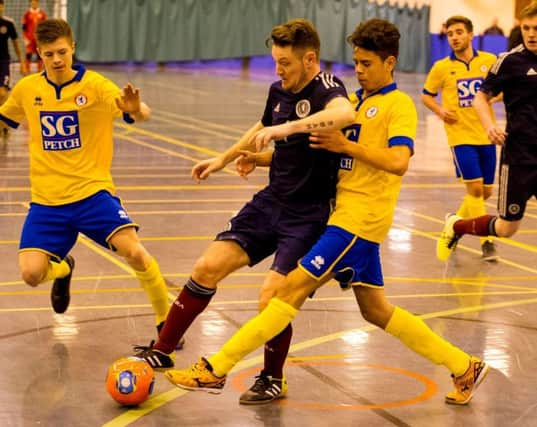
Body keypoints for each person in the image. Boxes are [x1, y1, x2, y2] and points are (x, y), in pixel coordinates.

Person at [163, 18, 490, 407]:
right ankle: (462, 364)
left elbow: (399, 162)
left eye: (367, 64)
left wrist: (345, 146)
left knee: (287, 290)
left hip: (359, 220)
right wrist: (262, 159)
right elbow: (317, 157)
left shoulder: (398, 105)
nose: (359, 71)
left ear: (389, 63)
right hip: (345, 216)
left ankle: (215, 368)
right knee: (376, 310)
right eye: (356, 63)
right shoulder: (355, 102)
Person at [134, 18, 354, 405]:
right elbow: (262, 125)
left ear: (310, 58)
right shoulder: (278, 90)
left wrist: (287, 130)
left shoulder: (327, 88)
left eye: (285, 62)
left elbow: (344, 115)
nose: (278, 70)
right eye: (275, 62)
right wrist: (224, 159)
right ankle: (163, 348)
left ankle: (272, 378)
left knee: (272, 298)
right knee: (206, 267)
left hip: (309, 215)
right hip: (271, 202)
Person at [0, 18, 172, 338]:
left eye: (62, 52)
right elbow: (5, 119)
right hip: (47, 201)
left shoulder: (94, 85)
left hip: (91, 193)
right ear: (40, 53)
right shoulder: (27, 89)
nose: (57, 60)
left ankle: (167, 323)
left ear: (73, 47)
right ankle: (64, 268)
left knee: (134, 252)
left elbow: (137, 111)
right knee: (31, 274)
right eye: (49, 54)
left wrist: (136, 109)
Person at [437, 3, 537, 262]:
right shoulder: (509, 61)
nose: (531, 34)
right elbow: (480, 98)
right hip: (519, 158)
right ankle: (456, 226)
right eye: (526, 28)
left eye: (536, 29)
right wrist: (490, 127)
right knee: (506, 228)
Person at [422, 15, 499, 262]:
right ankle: (487, 243)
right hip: (460, 137)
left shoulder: (489, 61)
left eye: (458, 32)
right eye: (450, 34)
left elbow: (502, 90)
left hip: (487, 134)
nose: (454, 37)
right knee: (475, 190)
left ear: (470, 35)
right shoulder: (441, 67)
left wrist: (489, 99)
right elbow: (426, 95)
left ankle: (453, 223)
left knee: (485, 192)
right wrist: (440, 111)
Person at [0, 0, 27, 106]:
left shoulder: (8, 23)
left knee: (2, 93)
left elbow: (16, 44)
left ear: (3, 7)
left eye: (1, 5)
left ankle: (2, 118)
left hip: (3, 61)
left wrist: (22, 63)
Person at [22, 0, 47, 72]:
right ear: (30, 3)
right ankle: (26, 71)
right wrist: (25, 38)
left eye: (35, 2)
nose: (34, 3)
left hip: (39, 38)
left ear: (38, 3)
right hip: (30, 39)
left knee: (40, 54)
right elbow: (24, 27)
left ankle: (39, 71)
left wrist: (43, 38)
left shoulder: (42, 14)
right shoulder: (27, 14)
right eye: (32, 2)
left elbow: (45, 27)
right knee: (28, 55)